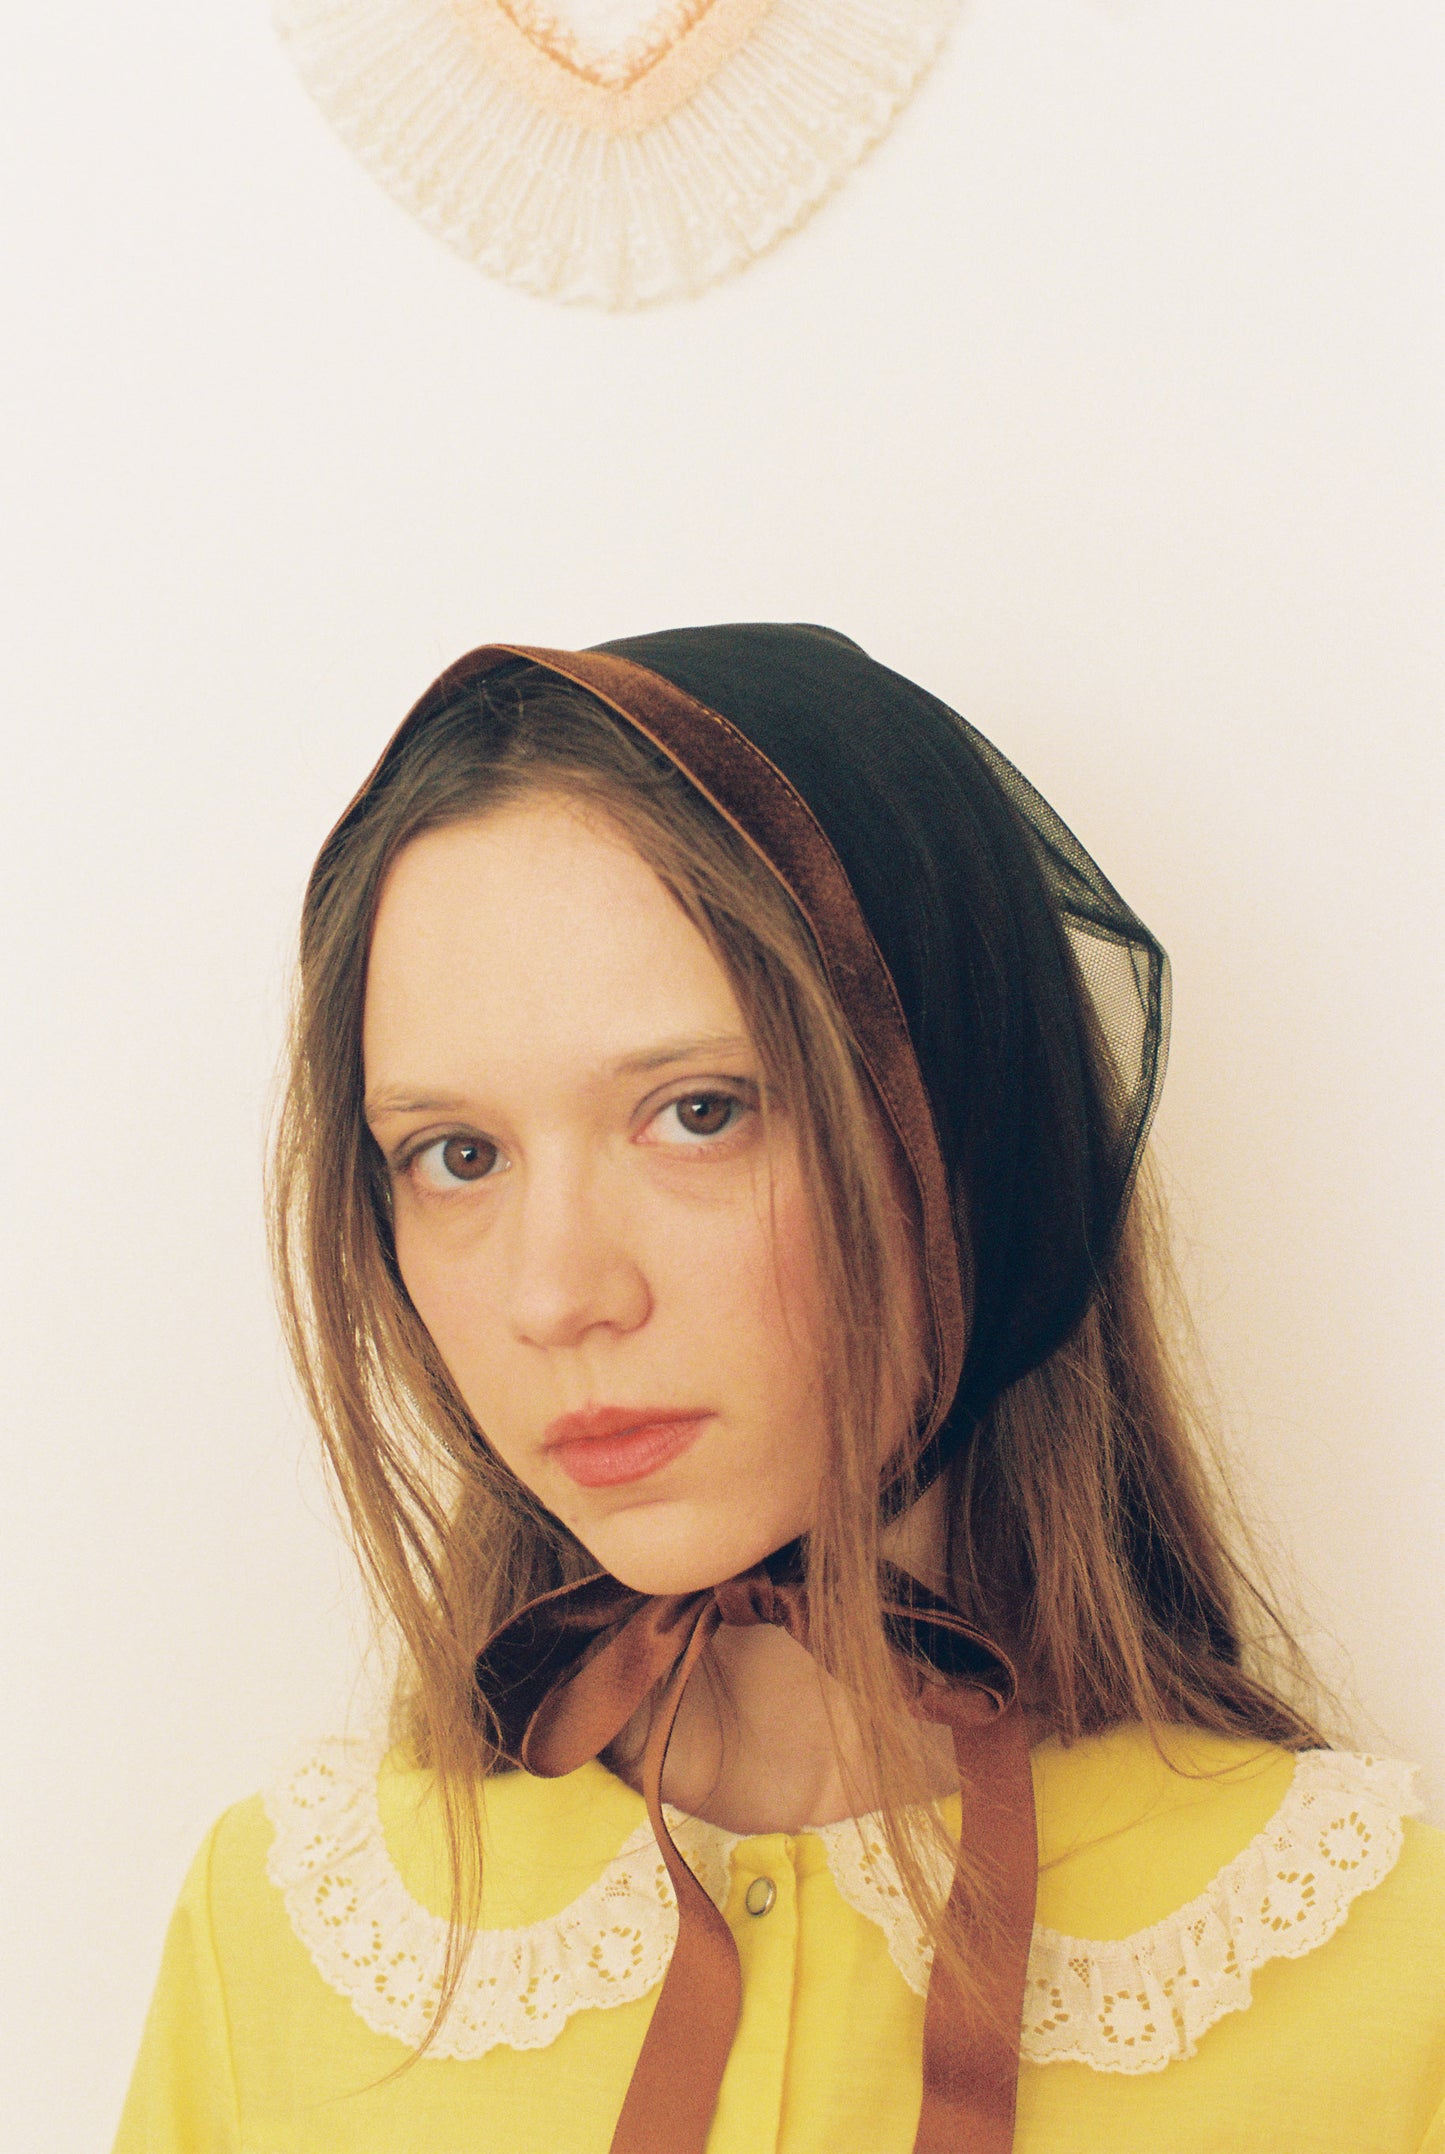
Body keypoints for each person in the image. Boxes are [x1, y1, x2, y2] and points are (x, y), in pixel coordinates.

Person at [115, 625, 1445, 2154]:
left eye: (697, 1113)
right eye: (456, 1155)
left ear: (965, 1130)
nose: (558, 1293)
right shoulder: (284, 1945)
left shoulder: (1372, 1973)